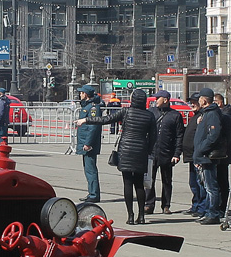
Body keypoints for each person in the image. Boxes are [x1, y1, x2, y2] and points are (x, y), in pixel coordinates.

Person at [76, 88, 156, 224]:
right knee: (139, 184)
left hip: (125, 150)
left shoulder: (126, 112)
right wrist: (147, 150)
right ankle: (141, 216)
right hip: (140, 151)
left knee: (127, 183)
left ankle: (130, 216)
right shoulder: (149, 116)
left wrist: (86, 120)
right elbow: (153, 137)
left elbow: (106, 119)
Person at [145, 90, 185, 215]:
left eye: (158, 98)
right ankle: (149, 204)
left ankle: (166, 205)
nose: (155, 100)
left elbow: (179, 136)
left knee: (167, 181)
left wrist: (177, 153)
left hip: (167, 153)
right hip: (151, 152)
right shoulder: (151, 113)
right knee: (149, 180)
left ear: (166, 100)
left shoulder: (175, 115)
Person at [192, 88, 223, 225]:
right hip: (202, 156)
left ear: (204, 100)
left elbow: (213, 136)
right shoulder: (205, 114)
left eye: (200, 98)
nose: (198, 100)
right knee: (206, 186)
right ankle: (208, 211)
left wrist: (200, 149)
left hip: (207, 156)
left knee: (211, 187)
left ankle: (213, 213)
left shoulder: (212, 114)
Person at [75, 85, 103, 203]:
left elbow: (93, 127)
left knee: (91, 169)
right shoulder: (86, 106)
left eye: (81, 93)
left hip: (89, 143)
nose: (80, 95)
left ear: (86, 94)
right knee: (87, 169)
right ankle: (91, 192)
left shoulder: (93, 108)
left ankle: (94, 194)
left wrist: (88, 143)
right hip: (84, 141)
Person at [213, 93, 231, 215]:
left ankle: (222, 206)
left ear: (219, 103)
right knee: (218, 180)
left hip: (223, 153)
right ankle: (218, 205)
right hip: (221, 152)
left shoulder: (226, 115)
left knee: (222, 181)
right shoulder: (223, 114)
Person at [181, 92, 205, 216]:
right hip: (191, 156)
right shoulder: (195, 116)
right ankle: (196, 205)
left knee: (200, 183)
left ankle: (201, 207)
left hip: (198, 156)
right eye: (191, 101)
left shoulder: (203, 116)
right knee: (193, 183)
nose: (192, 104)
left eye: (195, 102)